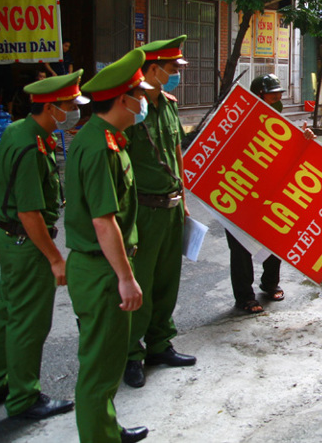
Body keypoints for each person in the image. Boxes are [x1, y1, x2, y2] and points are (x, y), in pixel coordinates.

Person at [0, 70, 89, 420]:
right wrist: (55, 259)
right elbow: (29, 213)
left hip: (7, 239)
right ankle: (24, 397)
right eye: (70, 105)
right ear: (51, 107)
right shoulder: (30, 144)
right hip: (25, 242)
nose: (74, 111)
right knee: (29, 322)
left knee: (7, 312)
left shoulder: (20, 130)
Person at [65, 48, 154, 443]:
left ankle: (106, 428)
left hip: (100, 268)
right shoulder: (100, 146)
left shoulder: (106, 137)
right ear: (123, 99)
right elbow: (103, 221)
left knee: (107, 360)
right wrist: (126, 277)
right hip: (102, 272)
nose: (144, 101)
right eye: (140, 94)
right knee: (99, 369)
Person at [122, 36, 195, 389]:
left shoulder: (168, 105)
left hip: (171, 205)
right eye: (171, 69)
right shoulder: (132, 109)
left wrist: (184, 197)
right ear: (153, 69)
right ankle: (131, 354)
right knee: (142, 284)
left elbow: (177, 153)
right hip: (144, 211)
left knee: (167, 281)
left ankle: (159, 345)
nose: (175, 75)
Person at [225, 73, 313, 314]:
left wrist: (303, 142)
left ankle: (270, 283)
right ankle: (244, 296)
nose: (277, 100)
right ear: (258, 97)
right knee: (240, 249)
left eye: (279, 96)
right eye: (272, 96)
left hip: (268, 196)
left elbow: (291, 160)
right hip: (238, 196)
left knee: (274, 240)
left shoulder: (280, 126)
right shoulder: (238, 124)